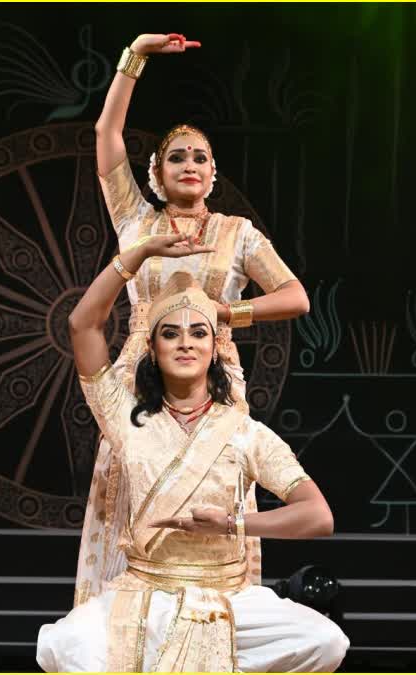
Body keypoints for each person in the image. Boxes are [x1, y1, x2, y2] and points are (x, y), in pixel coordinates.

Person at [37, 238, 348, 671]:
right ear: (153, 349)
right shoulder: (123, 416)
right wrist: (137, 257)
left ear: (214, 348)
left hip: (227, 597)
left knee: (324, 640)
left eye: (198, 332)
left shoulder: (245, 432)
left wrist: (232, 524)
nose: (185, 342)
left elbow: (318, 517)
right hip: (143, 591)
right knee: (64, 645)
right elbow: (82, 326)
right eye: (170, 333)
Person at [79, 32, 311, 606]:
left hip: (214, 372)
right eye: (176, 156)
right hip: (140, 377)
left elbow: (296, 297)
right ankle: (122, 622)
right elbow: (107, 134)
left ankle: (216, 617)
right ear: (156, 174)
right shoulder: (136, 220)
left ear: (212, 174)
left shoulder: (237, 233)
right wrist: (135, 53)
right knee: (134, 489)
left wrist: (225, 312)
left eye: (199, 157)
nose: (189, 164)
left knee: (217, 482)